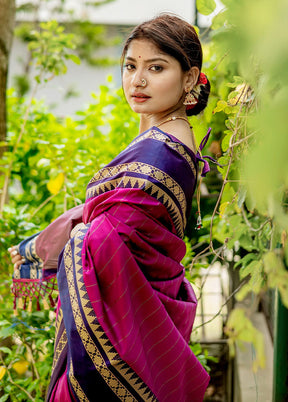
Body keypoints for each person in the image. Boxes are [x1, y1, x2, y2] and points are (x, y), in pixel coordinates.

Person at [9, 14, 213, 402]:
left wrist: (56, 240)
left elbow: (106, 240)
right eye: (130, 66)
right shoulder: (166, 135)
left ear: (190, 78)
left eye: (156, 68)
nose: (137, 81)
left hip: (121, 333)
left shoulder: (162, 152)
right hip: (143, 312)